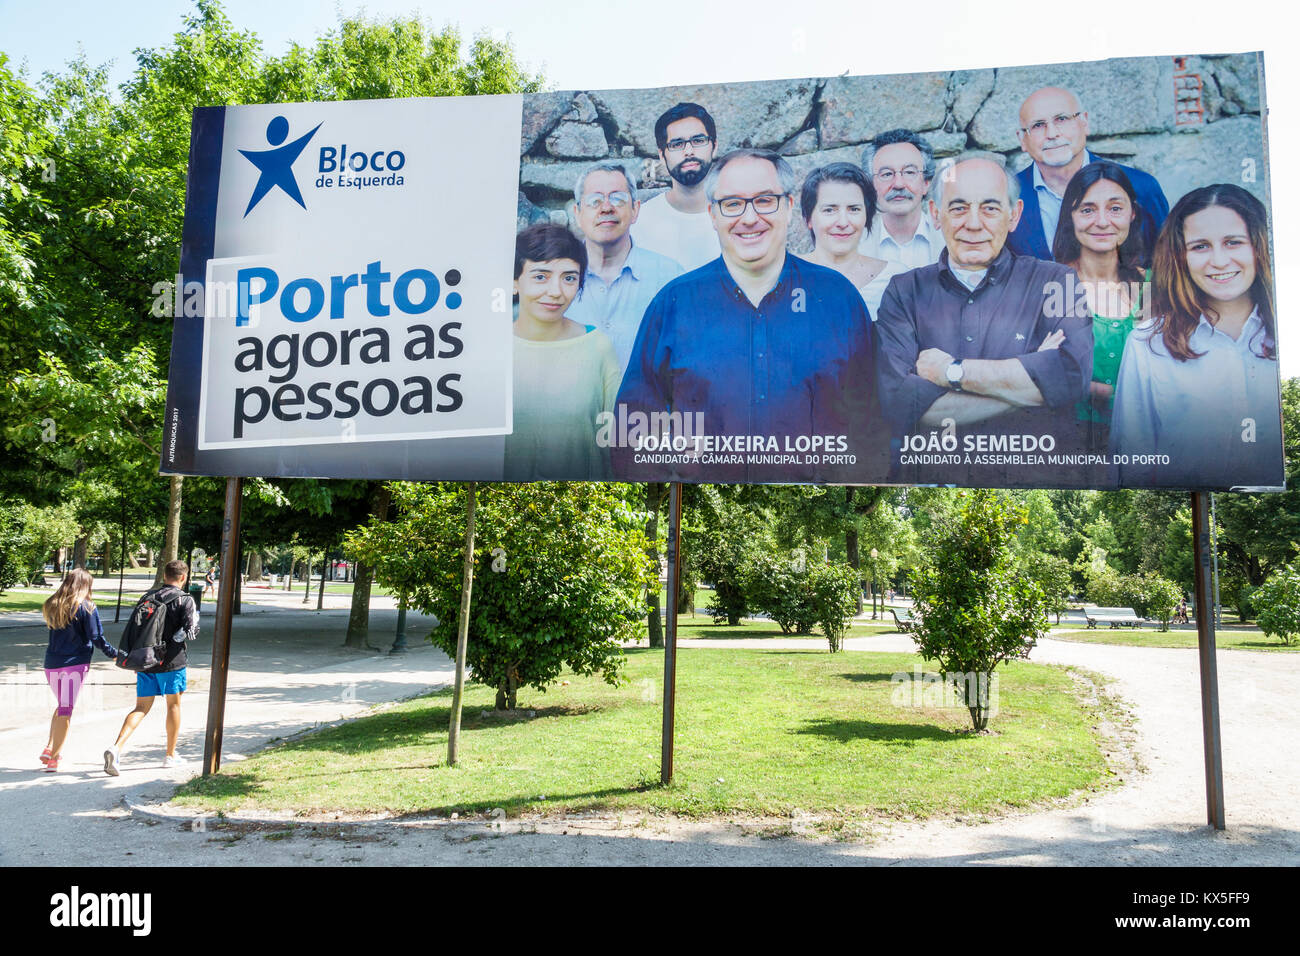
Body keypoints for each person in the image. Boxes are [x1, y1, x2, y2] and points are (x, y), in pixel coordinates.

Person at [615, 148, 886, 483]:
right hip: (702, 516)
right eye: (732, 204)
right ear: (712, 214)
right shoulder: (673, 305)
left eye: (764, 200)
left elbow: (872, 425)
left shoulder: (838, 299)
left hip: (812, 516)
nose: (748, 218)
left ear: (788, 207)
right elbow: (633, 430)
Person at [874, 154, 1093, 485]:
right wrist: (1030, 379)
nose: (973, 224)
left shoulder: (1057, 282)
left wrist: (951, 372)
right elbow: (900, 403)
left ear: (1014, 215)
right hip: (930, 495)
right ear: (935, 214)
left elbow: (1071, 380)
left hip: (1034, 490)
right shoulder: (904, 292)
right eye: (959, 208)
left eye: (990, 208)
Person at [1110, 184, 1282, 488]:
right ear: (1180, 256)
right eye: (1200, 246)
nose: (1218, 261)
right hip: (1175, 522)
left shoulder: (1287, 335)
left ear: (1259, 246)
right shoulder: (1148, 343)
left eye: (1233, 242)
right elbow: (1131, 464)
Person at [1050, 161, 1155, 450]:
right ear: (1070, 216)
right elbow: (1031, 375)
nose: (1102, 221)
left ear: (1133, 213)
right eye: (1087, 209)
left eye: (1115, 208)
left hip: (1147, 449)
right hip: (1063, 450)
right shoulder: (1046, 286)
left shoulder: (1155, 288)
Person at [505, 223, 621, 480]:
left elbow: (614, 443)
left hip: (586, 508)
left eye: (569, 278)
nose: (556, 291)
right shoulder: (491, 348)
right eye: (540, 276)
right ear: (514, 282)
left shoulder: (598, 347)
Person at [1009, 86, 1169, 262]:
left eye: (1062, 119)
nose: (1052, 134)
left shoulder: (1141, 187)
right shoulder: (1007, 196)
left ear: (1084, 122)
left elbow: (1165, 265)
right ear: (1022, 139)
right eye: (1038, 125)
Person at [565, 161, 682, 379]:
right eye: (594, 200)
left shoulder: (670, 277)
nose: (606, 207)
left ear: (635, 210)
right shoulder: (554, 281)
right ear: (577, 213)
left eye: (618, 199)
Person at [104, 559, 199, 774]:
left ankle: (116, 748)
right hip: (172, 663)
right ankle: (170, 755)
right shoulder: (185, 600)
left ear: (165, 576)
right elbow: (191, 633)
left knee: (140, 708)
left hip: (146, 661)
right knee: (173, 706)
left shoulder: (147, 597)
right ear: (183, 577)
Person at [799, 162, 908, 318]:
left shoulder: (896, 279)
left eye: (854, 209)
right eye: (829, 210)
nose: (843, 222)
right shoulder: (784, 278)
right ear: (808, 218)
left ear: (867, 216)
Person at [40, 569, 118, 772]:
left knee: (62, 706)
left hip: (52, 662)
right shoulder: (87, 607)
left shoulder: (53, 603)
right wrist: (114, 654)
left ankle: (49, 748)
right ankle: (54, 758)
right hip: (75, 663)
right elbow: (96, 637)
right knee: (66, 709)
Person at [629, 103, 721, 271]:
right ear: (662, 155)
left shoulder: (737, 215)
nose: (688, 151)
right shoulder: (638, 223)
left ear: (714, 146)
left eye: (698, 140)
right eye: (677, 144)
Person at [859, 129, 944, 268]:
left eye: (910, 172)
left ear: (926, 183)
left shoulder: (949, 238)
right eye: (886, 174)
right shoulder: (856, 243)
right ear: (871, 185)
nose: (898, 184)